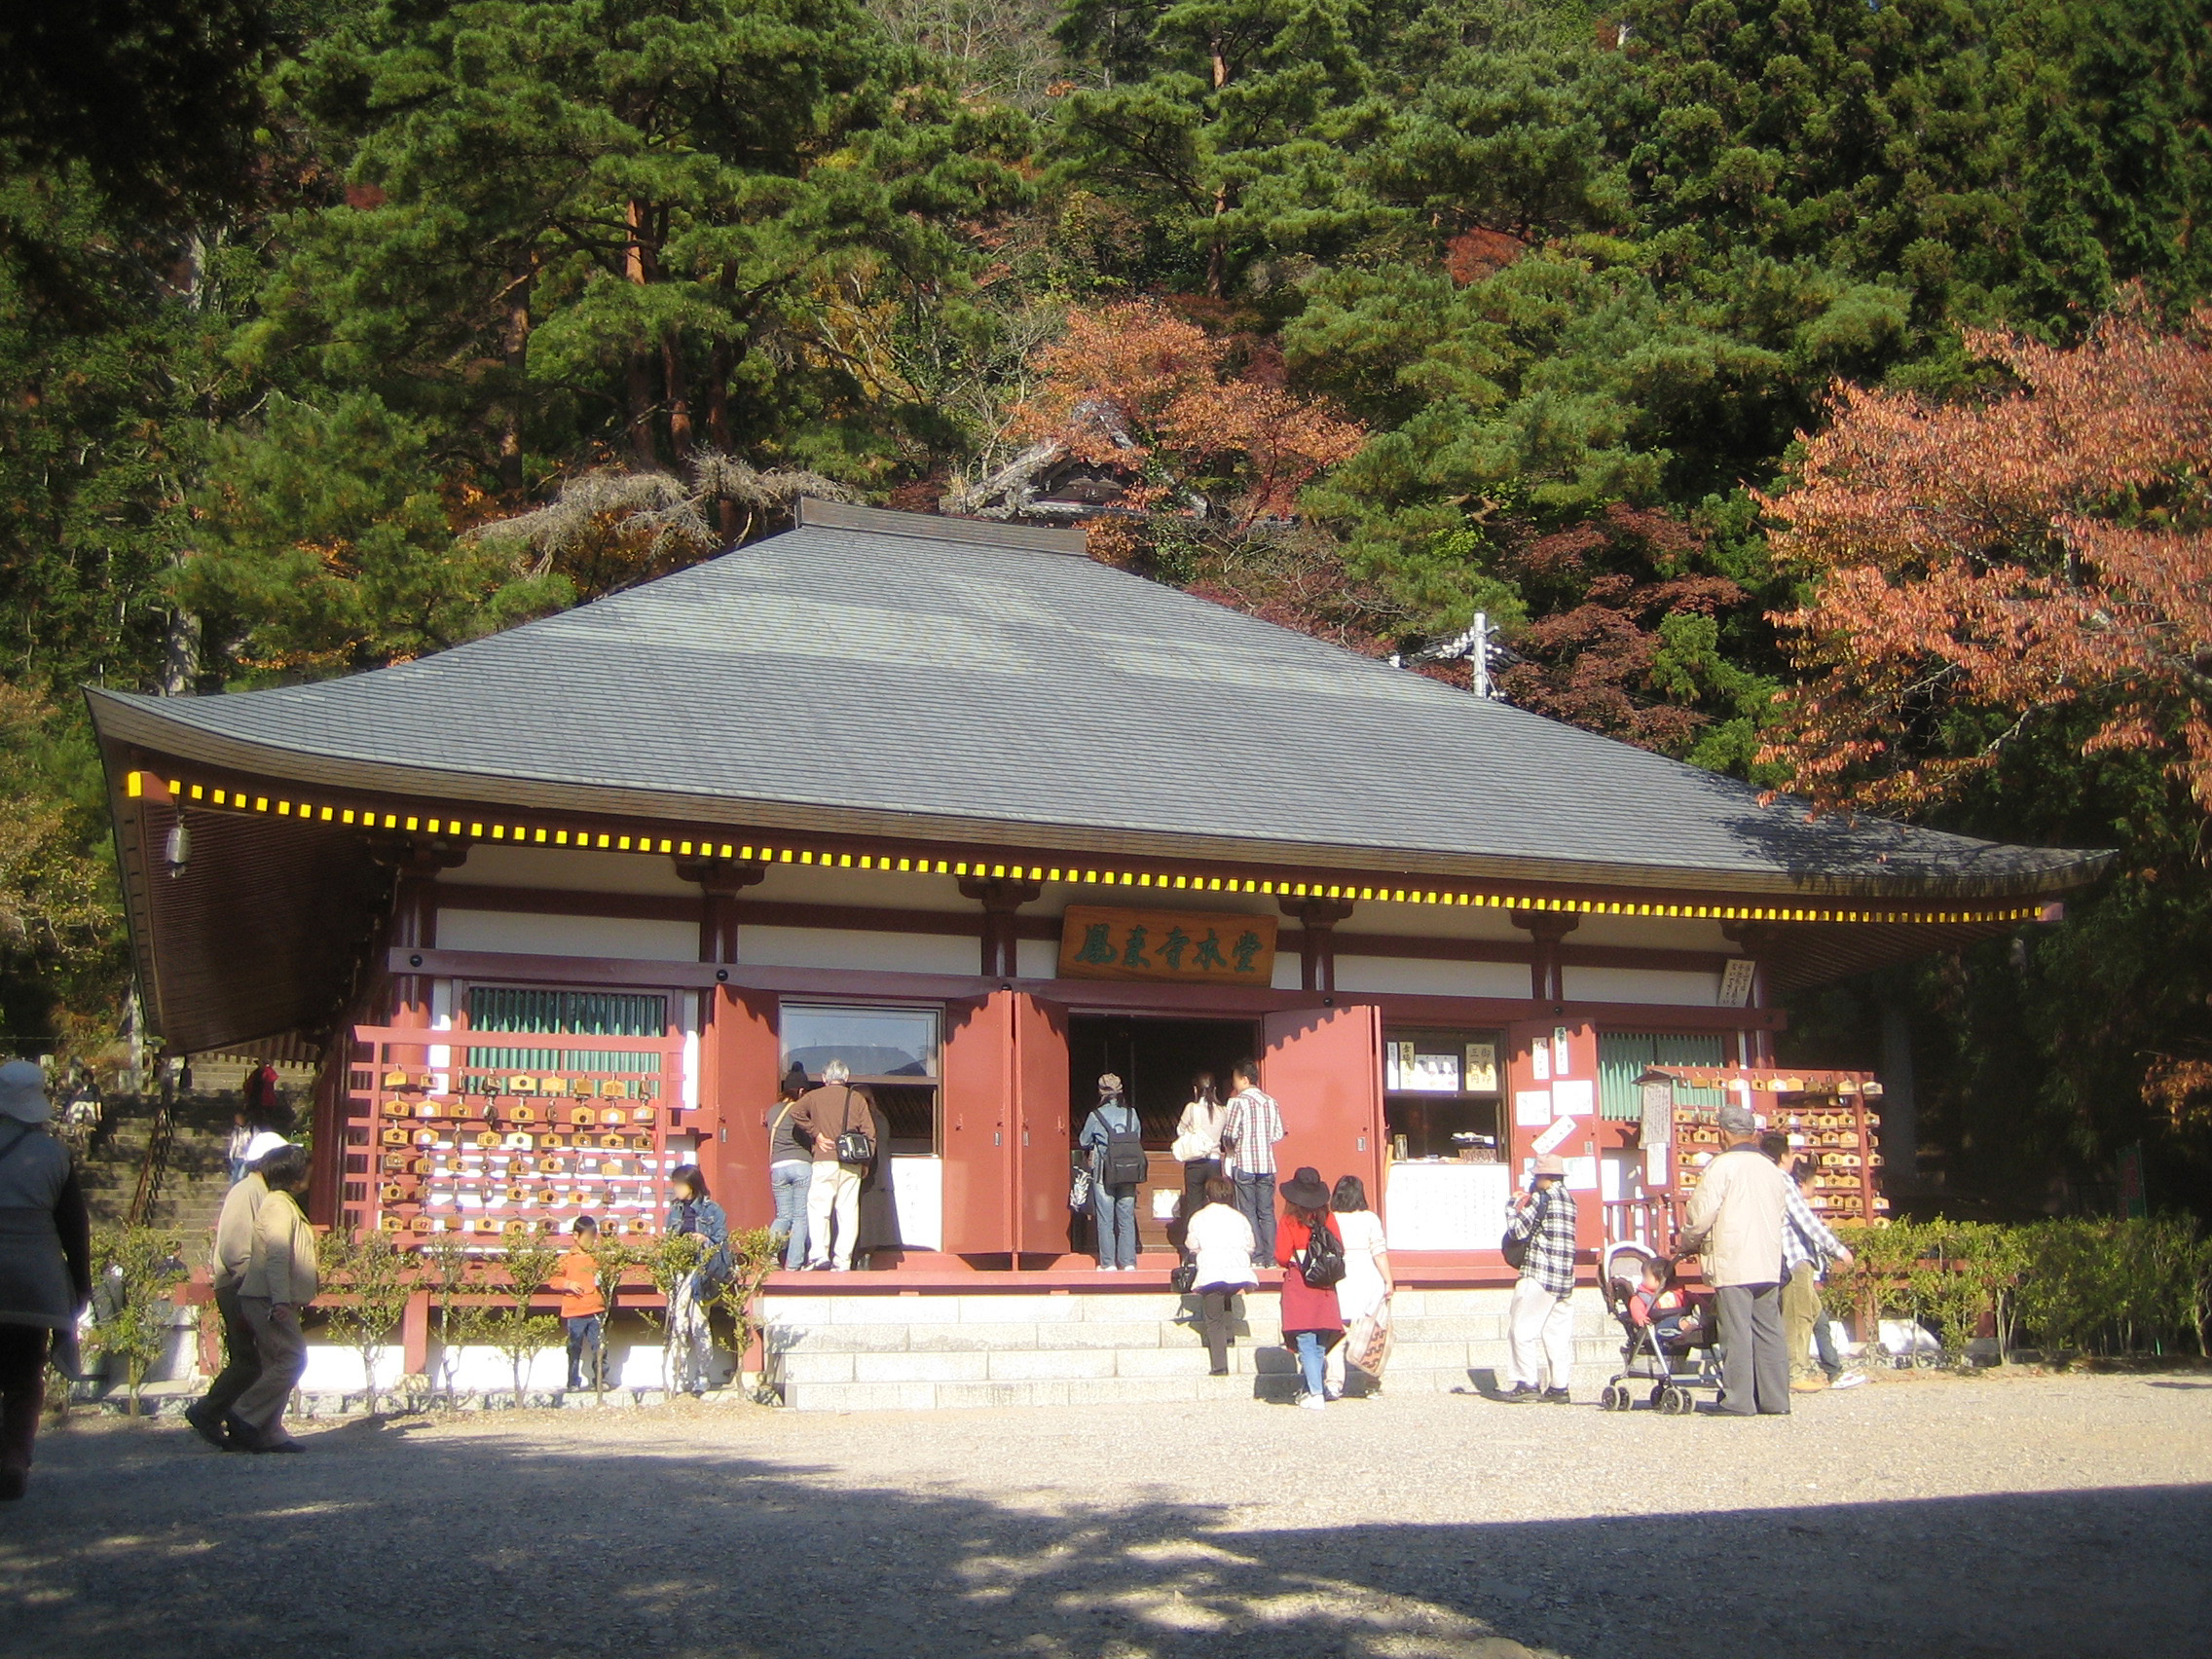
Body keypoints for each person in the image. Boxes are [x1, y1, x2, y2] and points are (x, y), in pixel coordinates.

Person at [0, 1060, 92, 1500]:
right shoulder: (54, 1154)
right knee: (23, 1374)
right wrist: (80, 1284)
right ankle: (14, 1457)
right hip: (33, 1277)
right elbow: (74, 1226)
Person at [1679, 1100, 1794, 1417]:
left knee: (1737, 1331)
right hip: (1769, 1260)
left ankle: (1738, 1400)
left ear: (1723, 1133)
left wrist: (1687, 1241)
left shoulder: (1721, 1167)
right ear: (1752, 1134)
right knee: (1769, 1330)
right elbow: (1781, 1214)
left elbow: (1701, 1215)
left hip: (1734, 1259)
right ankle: (1775, 1400)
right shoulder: (1772, 1170)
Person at [184, 1126, 291, 1450]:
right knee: (253, 1360)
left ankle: (233, 1418)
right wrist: (254, 1291)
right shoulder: (247, 1192)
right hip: (240, 1286)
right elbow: (235, 1250)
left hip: (246, 1286)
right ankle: (215, 1413)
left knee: (255, 1360)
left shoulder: (258, 1191)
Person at [232, 1144, 317, 1453]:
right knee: (293, 1358)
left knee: (275, 1363)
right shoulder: (280, 1206)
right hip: (269, 1297)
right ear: (294, 1175)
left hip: (267, 1296)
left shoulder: (280, 1203)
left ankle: (268, 1432)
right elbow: (278, 1256)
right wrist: (281, 1299)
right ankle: (243, 1413)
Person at [1501, 1154, 1579, 1403]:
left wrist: (1512, 1206)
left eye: (1536, 1176)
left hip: (1539, 1273)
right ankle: (1559, 1387)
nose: (1534, 1180)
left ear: (1544, 1177)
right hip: (1565, 1279)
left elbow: (1517, 1230)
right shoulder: (1570, 1200)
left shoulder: (1541, 1199)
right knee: (1556, 1335)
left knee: (1521, 1330)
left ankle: (1527, 1382)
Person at [1783, 1155, 1859, 1393]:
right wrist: (1839, 1251)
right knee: (1800, 1321)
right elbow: (1811, 1228)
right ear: (1802, 1183)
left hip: (1800, 1266)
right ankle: (1798, 1373)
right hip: (1795, 1264)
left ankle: (1832, 1370)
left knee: (1817, 1319)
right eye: (1813, 1182)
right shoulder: (1790, 1196)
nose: (1816, 1187)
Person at [793, 1060, 875, 1272]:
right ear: (846, 1078)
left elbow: (795, 1112)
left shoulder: (813, 1096)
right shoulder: (856, 1098)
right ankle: (843, 1261)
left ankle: (819, 1255)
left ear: (824, 1078)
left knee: (819, 1209)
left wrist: (816, 1134)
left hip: (823, 1160)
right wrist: (865, 1161)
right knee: (847, 1211)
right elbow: (870, 1132)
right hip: (851, 1163)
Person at [1274, 1167, 1344, 1409]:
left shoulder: (1289, 1221)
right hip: (1324, 1282)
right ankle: (1314, 1388)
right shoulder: (1329, 1218)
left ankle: (1315, 1392)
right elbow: (1338, 1248)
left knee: (1305, 1339)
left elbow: (1282, 1256)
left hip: (1300, 1281)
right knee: (1319, 1341)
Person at [1182, 1176, 1256, 1374]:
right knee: (1227, 1295)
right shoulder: (1240, 1217)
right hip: (1238, 1269)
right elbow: (1250, 1245)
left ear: (1208, 1195)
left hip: (1212, 1269)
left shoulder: (1199, 1217)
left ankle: (1220, 1365)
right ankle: (1230, 1335)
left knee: (1213, 1318)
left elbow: (1192, 1245)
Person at [1328, 1174, 1392, 1398]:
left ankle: (1334, 1382)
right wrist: (1389, 1280)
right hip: (1368, 1275)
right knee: (1372, 1332)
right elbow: (1379, 1252)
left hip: (1340, 1276)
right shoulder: (1370, 1219)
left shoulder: (1330, 1218)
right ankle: (1372, 1382)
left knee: (1337, 1333)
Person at [666, 1165, 726, 1393]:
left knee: (699, 1322)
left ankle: (703, 1375)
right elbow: (668, 1243)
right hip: (680, 1270)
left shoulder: (713, 1210)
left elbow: (723, 1243)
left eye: (680, 1184)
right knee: (678, 1323)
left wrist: (705, 1239)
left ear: (692, 1184)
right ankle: (677, 1374)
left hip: (702, 1270)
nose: (676, 1189)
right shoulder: (674, 1211)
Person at [1220, 1061, 1285, 1269]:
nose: (1234, 1083)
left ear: (1244, 1079)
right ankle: (1271, 1256)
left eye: (1236, 1079)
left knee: (1247, 1210)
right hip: (1267, 1164)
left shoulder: (1237, 1102)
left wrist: (1231, 1147)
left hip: (1245, 1162)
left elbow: (1230, 1134)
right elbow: (1278, 1133)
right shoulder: (1271, 1101)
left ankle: (1256, 1256)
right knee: (1266, 1211)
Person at [1079, 1074, 1143, 1272]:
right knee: (1126, 1217)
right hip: (1128, 1172)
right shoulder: (1132, 1114)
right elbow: (1138, 1136)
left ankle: (1108, 1263)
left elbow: (1084, 1141)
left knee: (1105, 1218)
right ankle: (1129, 1262)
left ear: (1101, 1092)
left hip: (1103, 1172)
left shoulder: (1095, 1116)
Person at [766, 1064, 813, 1272]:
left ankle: (770, 1256)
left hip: (778, 1166)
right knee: (800, 1216)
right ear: (802, 1091)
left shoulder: (772, 1111)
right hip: (801, 1164)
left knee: (783, 1215)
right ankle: (793, 1264)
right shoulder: (800, 1110)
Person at [552, 1215, 607, 1391]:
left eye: (593, 1239)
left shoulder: (597, 1258)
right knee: (574, 1348)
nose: (590, 1242)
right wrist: (568, 1284)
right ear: (575, 1235)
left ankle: (599, 1379)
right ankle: (573, 1381)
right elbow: (553, 1280)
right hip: (574, 1310)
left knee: (599, 1346)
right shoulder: (566, 1259)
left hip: (595, 1308)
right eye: (587, 1239)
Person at [1172, 1072, 1227, 1220]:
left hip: (1195, 1162)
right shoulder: (1223, 1110)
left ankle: (1194, 1238)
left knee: (1194, 1204)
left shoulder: (1191, 1108)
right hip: (1214, 1162)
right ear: (1215, 1090)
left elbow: (1180, 1130)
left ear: (1196, 1090)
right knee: (1216, 1203)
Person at [1628, 1256, 1704, 1354]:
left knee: (1692, 1315)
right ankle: (1689, 1325)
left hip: (1680, 1320)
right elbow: (1636, 1308)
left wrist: (1703, 1305)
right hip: (1658, 1326)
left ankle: (1695, 1321)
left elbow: (1692, 1296)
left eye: (1646, 1277)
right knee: (1674, 1321)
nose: (1644, 1280)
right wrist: (1640, 1317)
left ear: (1661, 1279)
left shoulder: (1676, 1291)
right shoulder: (1642, 1296)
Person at [224, 1111, 254, 1185]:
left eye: (239, 1118)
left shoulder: (252, 1130)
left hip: (246, 1158)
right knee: (234, 1178)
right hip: (236, 1157)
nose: (238, 1120)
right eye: (236, 1119)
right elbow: (233, 1143)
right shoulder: (236, 1130)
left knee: (241, 1177)